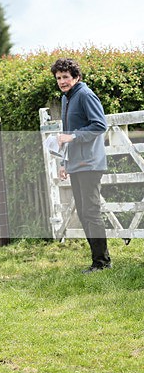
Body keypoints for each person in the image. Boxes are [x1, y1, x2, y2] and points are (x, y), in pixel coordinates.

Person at [53, 58, 111, 273]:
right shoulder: (66, 98)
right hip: (75, 164)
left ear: (75, 77)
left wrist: (73, 136)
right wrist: (64, 162)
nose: (62, 81)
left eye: (65, 77)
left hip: (90, 163)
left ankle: (102, 262)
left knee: (91, 212)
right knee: (85, 213)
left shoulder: (85, 95)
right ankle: (98, 260)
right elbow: (66, 134)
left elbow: (99, 125)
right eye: (58, 78)